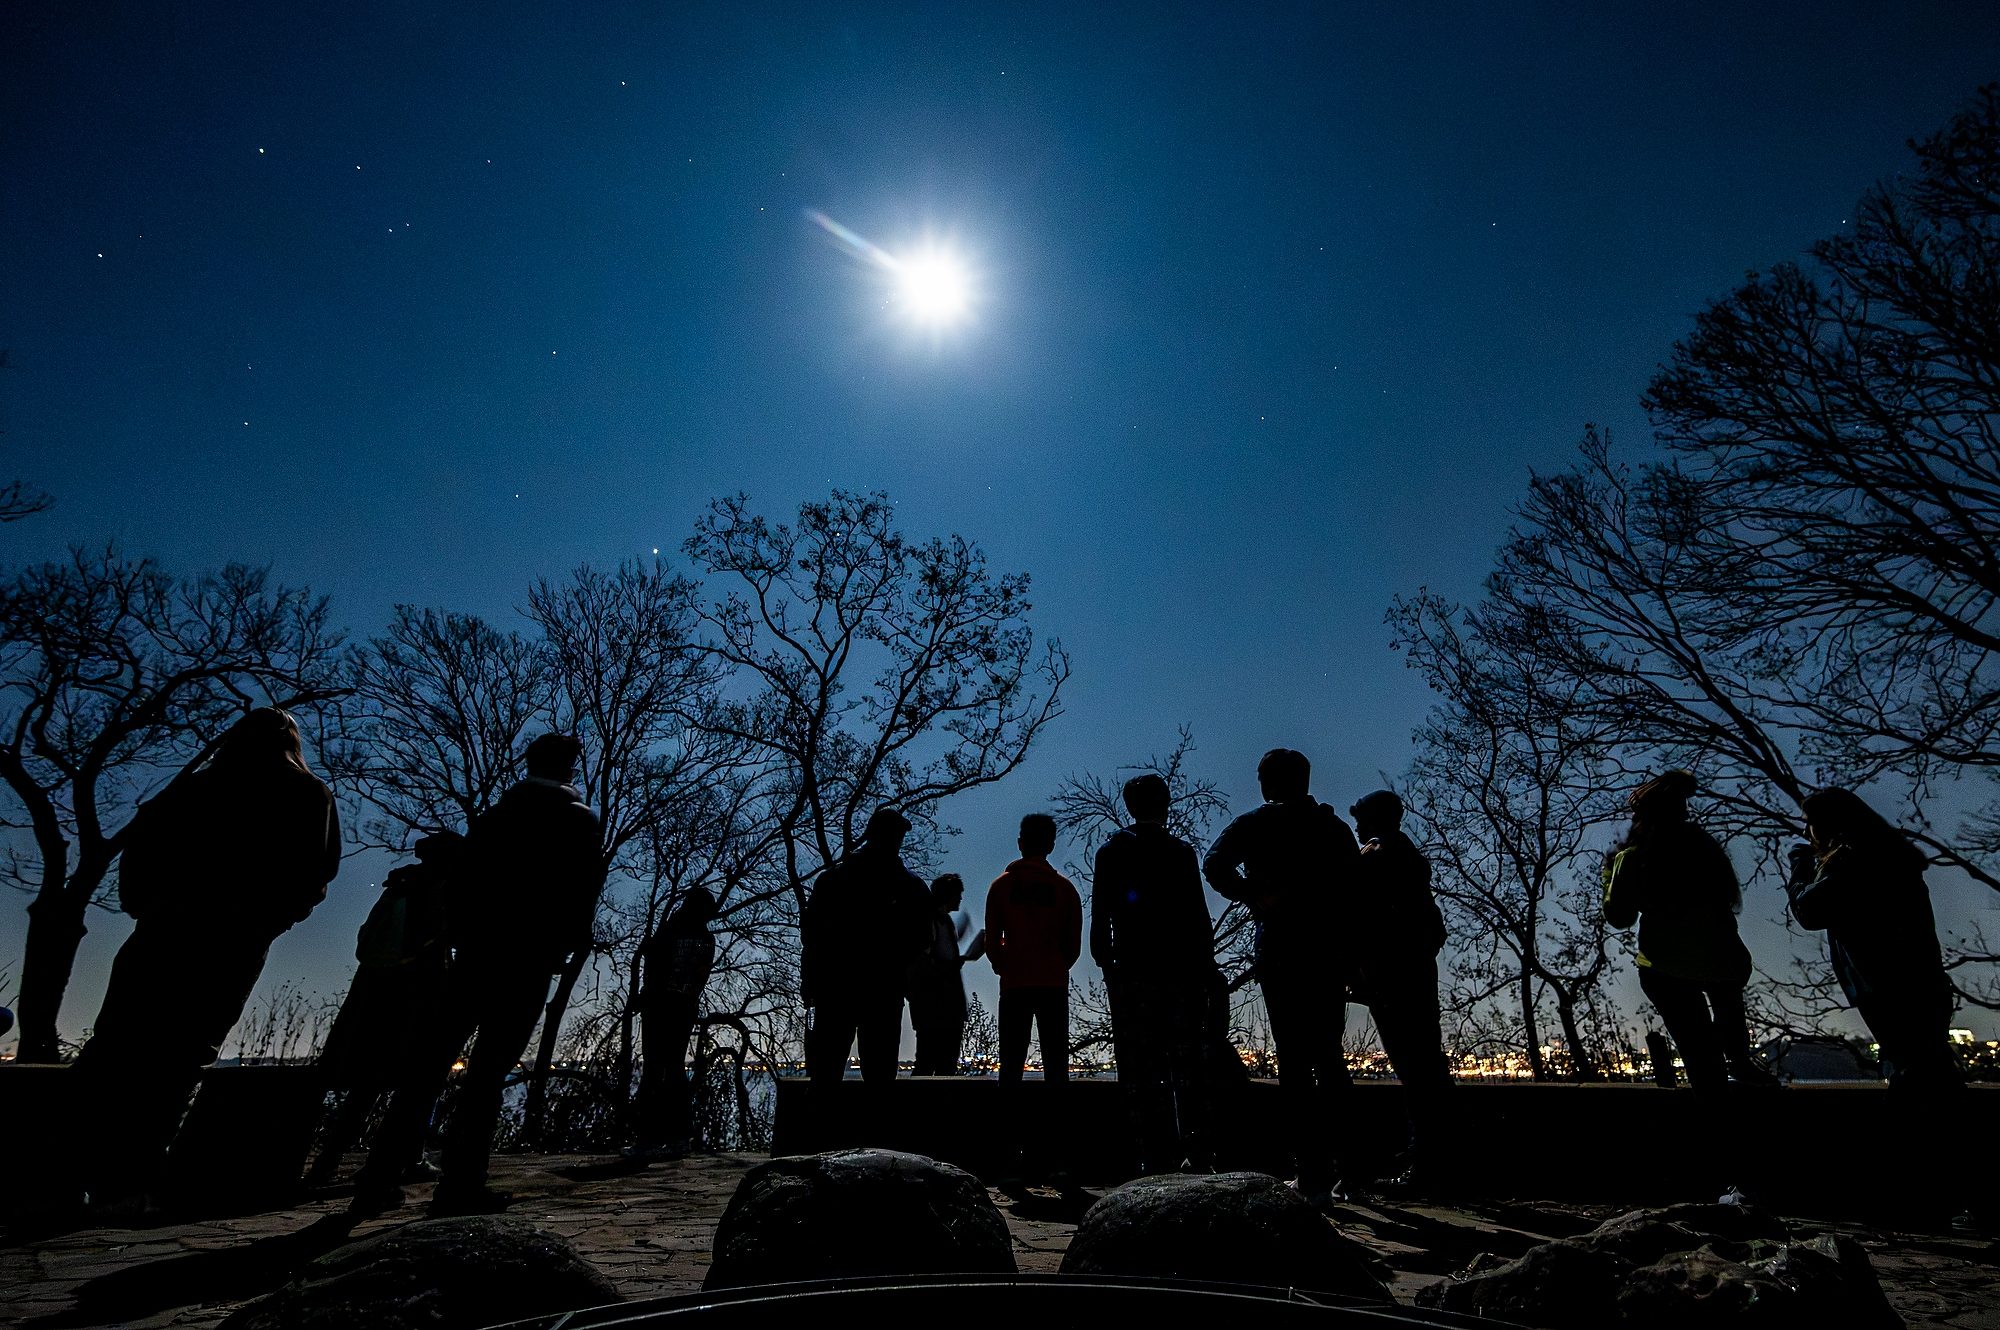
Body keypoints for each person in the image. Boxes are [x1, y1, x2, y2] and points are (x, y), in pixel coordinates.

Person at [74, 707, 341, 1213]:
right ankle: (132, 1181)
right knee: (183, 1052)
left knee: (116, 1045)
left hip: (161, 930)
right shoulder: (306, 793)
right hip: (232, 940)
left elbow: (139, 849)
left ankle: (72, 1172)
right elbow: (314, 872)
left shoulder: (190, 789)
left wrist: (145, 907)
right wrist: (272, 918)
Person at [352, 733, 604, 1216]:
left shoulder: (494, 817)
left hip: (474, 956)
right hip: (527, 961)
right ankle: (462, 1182)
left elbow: (461, 886)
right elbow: (579, 897)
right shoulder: (578, 822)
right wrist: (561, 948)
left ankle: (378, 1176)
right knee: (487, 1074)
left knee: (428, 1066)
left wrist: (461, 938)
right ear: (571, 768)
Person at [1203, 747, 1359, 1206]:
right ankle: (1348, 1170)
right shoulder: (1333, 829)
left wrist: (1254, 895)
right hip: (1327, 955)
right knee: (1330, 1060)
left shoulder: (1257, 824)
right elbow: (1356, 896)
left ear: (1269, 782)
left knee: (1295, 1062)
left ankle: (1311, 1174)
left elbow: (1214, 864)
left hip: (1283, 951)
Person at [308, 830, 462, 1185]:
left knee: (366, 1085)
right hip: (417, 998)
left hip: (373, 994)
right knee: (421, 1080)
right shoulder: (441, 893)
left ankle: (328, 1160)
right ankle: (405, 1157)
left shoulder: (400, 886)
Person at [1601, 770, 1769, 1091]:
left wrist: (1609, 876)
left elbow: (1619, 917)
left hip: (1666, 969)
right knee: (1731, 1038)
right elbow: (1730, 900)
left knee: (1701, 1060)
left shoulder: (1633, 859)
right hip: (1725, 962)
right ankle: (1740, 1063)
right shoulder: (1706, 850)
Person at [1091, 773, 1225, 1174]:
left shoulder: (1111, 851)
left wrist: (1108, 964)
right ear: (1164, 804)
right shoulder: (1179, 852)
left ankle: (1151, 1152)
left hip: (1132, 972)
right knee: (1186, 1065)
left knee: (1138, 1066)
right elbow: (1198, 917)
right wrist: (1205, 967)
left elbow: (1101, 917)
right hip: (1179, 973)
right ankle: (1197, 1149)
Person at [1785, 789, 1958, 1090]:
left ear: (1830, 825)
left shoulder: (1856, 863)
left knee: (1916, 1078)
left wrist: (1800, 866)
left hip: (1891, 990)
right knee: (1931, 1072)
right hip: (1919, 987)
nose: (1806, 831)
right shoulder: (1891, 859)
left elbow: (1809, 911)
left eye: (1809, 822)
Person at [1347, 789, 1452, 1187]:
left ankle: (1428, 1160)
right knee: (1425, 1062)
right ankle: (1432, 1153)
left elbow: (1356, 915)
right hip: (1414, 971)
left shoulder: (1376, 858)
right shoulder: (1409, 859)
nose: (1356, 828)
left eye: (1361, 820)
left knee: (1414, 1065)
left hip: (1392, 976)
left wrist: (1365, 969)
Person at [802, 806, 932, 1102]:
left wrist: (809, 981)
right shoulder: (910, 887)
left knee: (828, 1072)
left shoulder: (833, 880)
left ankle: (824, 1136)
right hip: (881, 989)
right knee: (878, 1077)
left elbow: (812, 936)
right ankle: (875, 1138)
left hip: (837, 987)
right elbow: (922, 941)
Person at [627, 887, 719, 1161]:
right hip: (678, 1008)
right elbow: (694, 977)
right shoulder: (700, 937)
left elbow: (665, 972)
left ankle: (654, 1137)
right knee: (670, 1070)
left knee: (658, 1070)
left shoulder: (672, 933)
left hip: (665, 1008)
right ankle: (671, 1135)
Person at [908, 873, 987, 1076]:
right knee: (937, 1062)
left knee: (929, 1059)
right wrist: (954, 963)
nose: (960, 899)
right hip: (939, 1004)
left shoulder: (938, 921)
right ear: (948, 895)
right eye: (957, 894)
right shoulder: (933, 922)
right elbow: (925, 962)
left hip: (936, 1005)